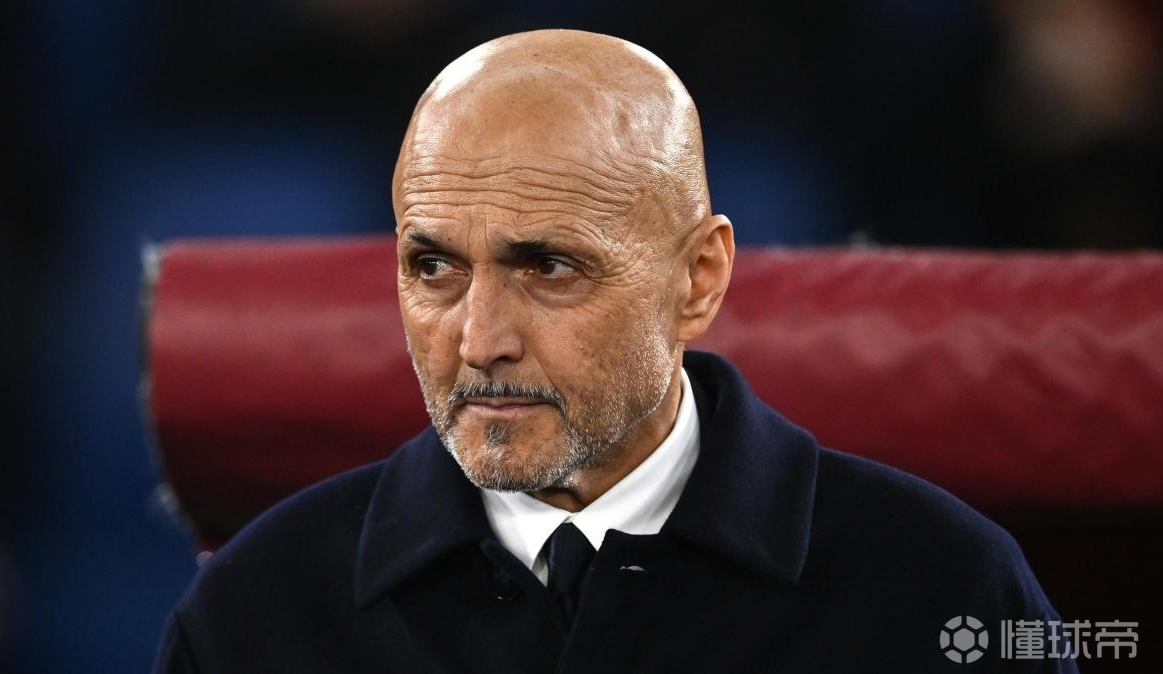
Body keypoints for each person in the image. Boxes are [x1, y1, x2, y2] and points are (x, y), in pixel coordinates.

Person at [153, 30, 1076, 672]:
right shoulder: (253, 615)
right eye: (433, 267)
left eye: (549, 267)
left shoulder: (943, 592)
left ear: (699, 280)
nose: (479, 341)